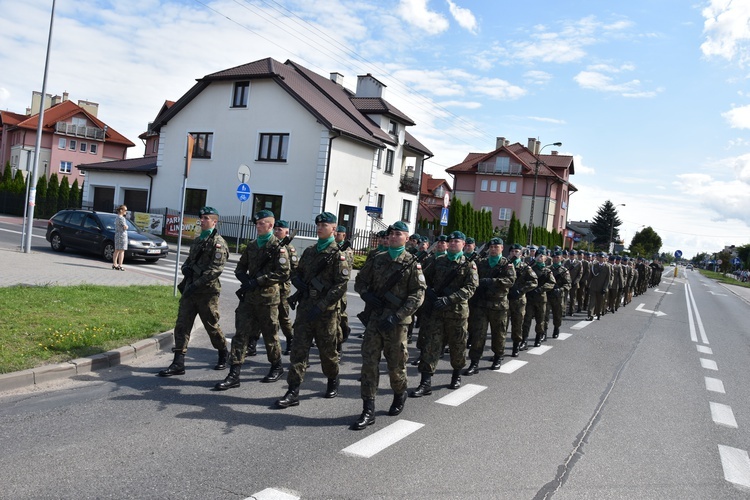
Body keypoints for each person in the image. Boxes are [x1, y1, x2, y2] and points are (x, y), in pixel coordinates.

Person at [352, 221, 425, 430]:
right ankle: (368, 408)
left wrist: (398, 315)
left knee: (396, 365)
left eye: (398, 234)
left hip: (396, 323)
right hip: (375, 320)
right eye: (391, 234)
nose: (393, 237)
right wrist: (365, 294)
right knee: (369, 363)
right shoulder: (377, 259)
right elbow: (360, 281)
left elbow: (418, 295)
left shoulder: (412, 263)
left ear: (407, 239)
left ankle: (400, 393)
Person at [276, 212, 349, 408]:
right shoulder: (309, 251)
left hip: (326, 312)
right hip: (305, 309)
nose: (320, 227)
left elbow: (341, 285)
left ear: (334, 229)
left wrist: (322, 305)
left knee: (328, 353)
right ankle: (293, 391)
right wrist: (298, 281)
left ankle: (333, 379)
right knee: (299, 351)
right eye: (318, 224)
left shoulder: (338, 254)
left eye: (324, 225)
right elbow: (298, 272)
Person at [214, 210, 290, 391]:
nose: (257, 226)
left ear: (270, 225)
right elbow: (240, 268)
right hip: (249, 298)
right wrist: (245, 280)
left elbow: (284, 273)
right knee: (240, 334)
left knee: (270, 334)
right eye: (256, 223)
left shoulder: (279, 247)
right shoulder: (252, 245)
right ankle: (234, 373)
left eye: (261, 223)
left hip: (268, 299)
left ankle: (276, 366)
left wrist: (258, 281)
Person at [159, 207, 230, 377]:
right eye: (201, 218)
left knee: (211, 326)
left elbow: (215, 270)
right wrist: (186, 270)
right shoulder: (198, 241)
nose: (202, 221)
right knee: (182, 325)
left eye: (206, 218)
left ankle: (223, 352)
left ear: (214, 221)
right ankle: (178, 362)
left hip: (207, 292)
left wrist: (196, 283)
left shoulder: (218, 243)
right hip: (190, 291)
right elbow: (189, 261)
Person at [411, 231, 478, 397]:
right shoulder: (438, 260)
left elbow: (471, 288)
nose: (453, 244)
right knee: (431, 346)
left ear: (463, 244)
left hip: (457, 313)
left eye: (457, 241)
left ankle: (456, 376)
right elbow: (423, 278)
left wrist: (450, 299)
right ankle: (425, 382)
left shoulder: (469, 264)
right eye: (451, 241)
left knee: (458, 346)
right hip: (437, 311)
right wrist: (430, 292)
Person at [465, 237, 515, 373]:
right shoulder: (482, 263)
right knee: (478, 334)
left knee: (498, 333)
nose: (493, 249)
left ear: (502, 249)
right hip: (481, 305)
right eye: (491, 247)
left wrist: (492, 281)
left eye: (496, 247)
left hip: (498, 305)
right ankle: (474, 362)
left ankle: (498, 357)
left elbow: (510, 280)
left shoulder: (507, 264)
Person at [508, 243, 538, 356]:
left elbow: (534, 282)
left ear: (521, 254)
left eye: (517, 252)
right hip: (505, 299)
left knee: (517, 324)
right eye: (512, 251)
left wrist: (521, 290)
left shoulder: (525, 267)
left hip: (519, 300)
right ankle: (498, 353)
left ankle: (516, 346)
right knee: (502, 326)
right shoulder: (505, 265)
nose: (514, 253)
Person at [522, 249, 556, 347]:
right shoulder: (530, 268)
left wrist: (541, 289)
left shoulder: (547, 271)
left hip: (541, 299)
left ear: (546, 258)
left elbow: (552, 283)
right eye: (538, 256)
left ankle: (538, 338)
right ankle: (524, 340)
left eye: (542, 256)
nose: (540, 258)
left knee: (540, 320)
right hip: (530, 297)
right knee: (526, 320)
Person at [274, 220, 298, 354]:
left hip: (282, 287)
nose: (276, 232)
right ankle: (253, 343)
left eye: (279, 230)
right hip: (269, 286)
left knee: (283, 315)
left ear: (286, 232)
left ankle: (290, 339)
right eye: (275, 229)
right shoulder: (271, 244)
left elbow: (294, 268)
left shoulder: (289, 248)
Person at [335, 225, 354, 351]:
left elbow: (346, 268)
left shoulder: (347, 251)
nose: (336, 235)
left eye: (339, 233)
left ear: (344, 235)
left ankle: (344, 330)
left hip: (341, 286)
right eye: (335, 233)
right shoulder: (332, 247)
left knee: (341, 312)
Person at [548, 251, 572, 338]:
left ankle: (556, 328)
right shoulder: (548, 269)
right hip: (548, 294)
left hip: (558, 296)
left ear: (561, 258)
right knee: (545, 314)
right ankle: (543, 332)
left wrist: (560, 289)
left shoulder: (564, 271)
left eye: (557, 257)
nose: (555, 259)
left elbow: (568, 284)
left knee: (557, 314)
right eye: (554, 257)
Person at [587, 252, 612, 321]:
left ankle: (598, 314)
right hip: (593, 286)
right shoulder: (594, 265)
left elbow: (608, 278)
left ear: (604, 258)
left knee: (599, 302)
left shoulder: (607, 267)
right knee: (592, 302)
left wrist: (605, 288)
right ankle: (590, 315)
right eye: (599, 257)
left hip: (601, 288)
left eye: (602, 257)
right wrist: (587, 285)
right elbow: (590, 276)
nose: (601, 259)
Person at [113, 205, 128, 271]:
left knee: (116, 250)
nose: (126, 212)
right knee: (122, 251)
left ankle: (114, 264)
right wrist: (127, 226)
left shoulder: (116, 217)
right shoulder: (122, 218)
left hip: (117, 235)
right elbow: (125, 227)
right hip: (122, 235)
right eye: (125, 210)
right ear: (121, 210)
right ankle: (120, 265)